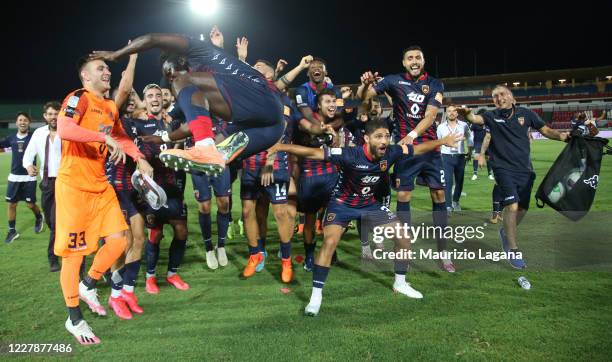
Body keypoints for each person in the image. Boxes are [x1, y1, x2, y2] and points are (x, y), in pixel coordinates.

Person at [269, 119, 462, 316]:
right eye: (379, 136)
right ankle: (316, 297)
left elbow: (418, 149)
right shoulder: (350, 155)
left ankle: (401, 283)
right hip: (342, 205)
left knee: (403, 238)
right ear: (367, 138)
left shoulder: (391, 152)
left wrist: (442, 141)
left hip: (369, 204)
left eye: (387, 136)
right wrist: (280, 146)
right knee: (329, 242)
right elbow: (313, 153)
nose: (384, 141)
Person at [91, 25, 285, 175]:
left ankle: (205, 149)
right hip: (273, 126)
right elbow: (193, 125)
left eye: (169, 73)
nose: (170, 80)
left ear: (180, 61)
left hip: (261, 95)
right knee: (217, 147)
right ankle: (210, 154)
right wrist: (164, 138)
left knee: (182, 81)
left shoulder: (195, 51)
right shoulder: (204, 87)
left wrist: (117, 54)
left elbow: (152, 39)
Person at [55, 56, 153, 344]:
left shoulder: (110, 107)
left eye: (108, 68)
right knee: (74, 255)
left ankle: (88, 284)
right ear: (86, 76)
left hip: (101, 185)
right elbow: (64, 128)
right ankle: (74, 317)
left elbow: (121, 137)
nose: (107, 71)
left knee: (120, 240)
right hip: (74, 187)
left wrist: (139, 158)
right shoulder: (78, 98)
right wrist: (104, 140)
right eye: (101, 68)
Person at [359, 45, 455, 272]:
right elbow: (363, 97)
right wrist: (364, 84)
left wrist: (411, 135)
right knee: (403, 195)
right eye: (410, 58)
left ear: (423, 61)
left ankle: (443, 251)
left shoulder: (434, 84)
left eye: (418, 58)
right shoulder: (393, 81)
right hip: (406, 152)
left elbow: (431, 115)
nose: (414, 61)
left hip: (429, 149)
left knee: (439, 194)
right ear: (404, 62)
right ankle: (404, 247)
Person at [457, 85, 569, 269]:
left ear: (511, 96)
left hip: (525, 170)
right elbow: (475, 118)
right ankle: (513, 248)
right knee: (512, 204)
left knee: (522, 209)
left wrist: (564, 137)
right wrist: (467, 114)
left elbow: (547, 131)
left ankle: (505, 233)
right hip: (502, 168)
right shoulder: (491, 116)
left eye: (502, 94)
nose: (499, 98)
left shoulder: (527, 114)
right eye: (495, 96)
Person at [133, 84, 190, 294]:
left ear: (163, 99)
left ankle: (172, 273)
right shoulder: (137, 124)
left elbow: (184, 138)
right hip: (152, 189)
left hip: (172, 186)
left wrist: (178, 147)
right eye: (150, 96)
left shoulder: (173, 123)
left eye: (158, 95)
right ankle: (150, 277)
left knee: (182, 231)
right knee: (155, 235)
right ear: (145, 100)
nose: (155, 98)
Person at [22, 102, 62, 271]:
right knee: (52, 223)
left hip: (66, 182)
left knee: (59, 221)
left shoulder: (67, 131)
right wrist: (29, 166)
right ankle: (58, 246)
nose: (53, 117)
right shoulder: (39, 133)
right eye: (50, 114)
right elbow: (27, 156)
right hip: (47, 183)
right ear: (45, 116)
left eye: (56, 113)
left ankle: (53, 258)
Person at [1, 112, 44, 244]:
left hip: (29, 177)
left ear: (29, 122)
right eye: (20, 120)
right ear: (16, 122)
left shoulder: (34, 137)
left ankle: (38, 217)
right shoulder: (11, 138)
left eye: (25, 120)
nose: (22, 122)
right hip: (14, 177)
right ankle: (12, 231)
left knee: (30, 204)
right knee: (11, 204)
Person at [437, 105, 471, 214]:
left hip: (460, 156)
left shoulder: (464, 125)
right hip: (445, 157)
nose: (451, 113)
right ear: (446, 113)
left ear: (457, 113)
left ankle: (455, 201)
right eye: (449, 111)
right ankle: (448, 206)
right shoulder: (441, 127)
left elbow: (470, 137)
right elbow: (438, 143)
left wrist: (469, 151)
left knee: (459, 181)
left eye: (454, 111)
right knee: (448, 182)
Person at [470, 110, 493, 181]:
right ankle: (475, 174)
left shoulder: (488, 124)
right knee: (476, 157)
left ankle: (490, 174)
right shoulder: (474, 124)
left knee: (488, 158)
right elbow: (469, 133)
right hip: (477, 143)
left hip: (487, 144)